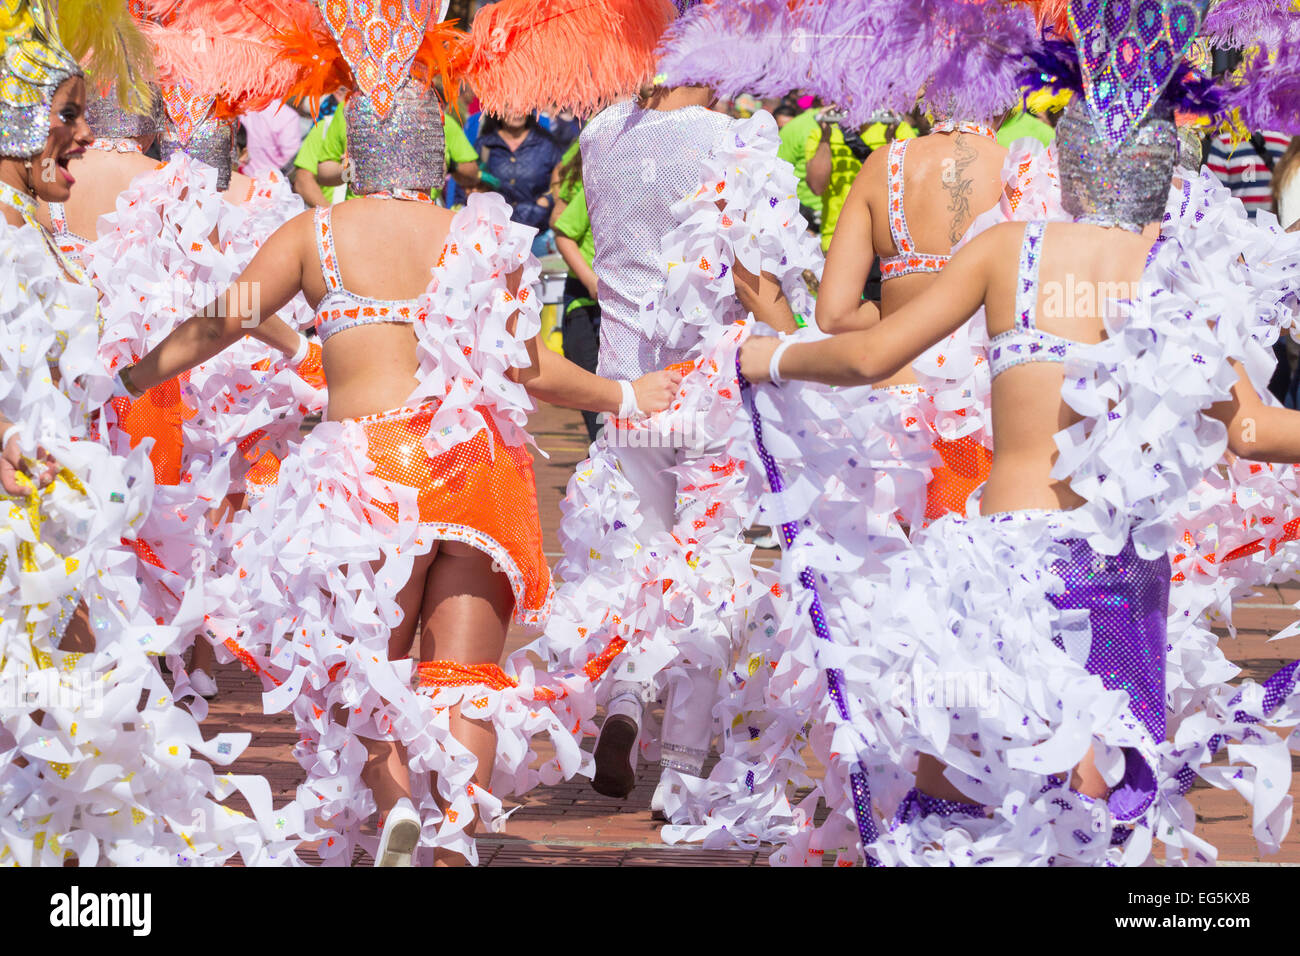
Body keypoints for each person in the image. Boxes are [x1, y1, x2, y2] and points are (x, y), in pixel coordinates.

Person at [738, 5, 1300, 865]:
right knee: (1095, 814)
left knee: (961, 794)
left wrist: (767, 357)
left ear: (1069, 165)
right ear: (1161, 173)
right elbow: (1256, 431)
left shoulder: (1010, 249)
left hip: (1006, 564)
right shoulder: (1183, 274)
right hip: (1118, 577)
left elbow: (870, 350)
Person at [122, 48, 681, 866]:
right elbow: (534, 370)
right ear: (432, 152)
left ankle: (394, 816)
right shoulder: (481, 236)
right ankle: (455, 837)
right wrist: (630, 396)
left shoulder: (315, 233)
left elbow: (222, 321)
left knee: (372, 672)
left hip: (370, 475)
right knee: (466, 679)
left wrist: (130, 375)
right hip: (474, 468)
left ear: (354, 144)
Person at [0, 0, 289, 867]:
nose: (83, 137)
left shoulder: (35, 228)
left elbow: (216, 309)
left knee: (83, 707)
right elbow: (229, 291)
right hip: (31, 512)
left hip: (84, 489)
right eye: (67, 115)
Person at [477, 112, 562, 254]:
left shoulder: (546, 143)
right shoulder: (485, 144)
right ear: (498, 109)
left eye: (522, 105)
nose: (516, 110)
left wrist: (545, 202)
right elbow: (468, 184)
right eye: (509, 105)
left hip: (537, 235)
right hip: (493, 236)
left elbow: (562, 180)